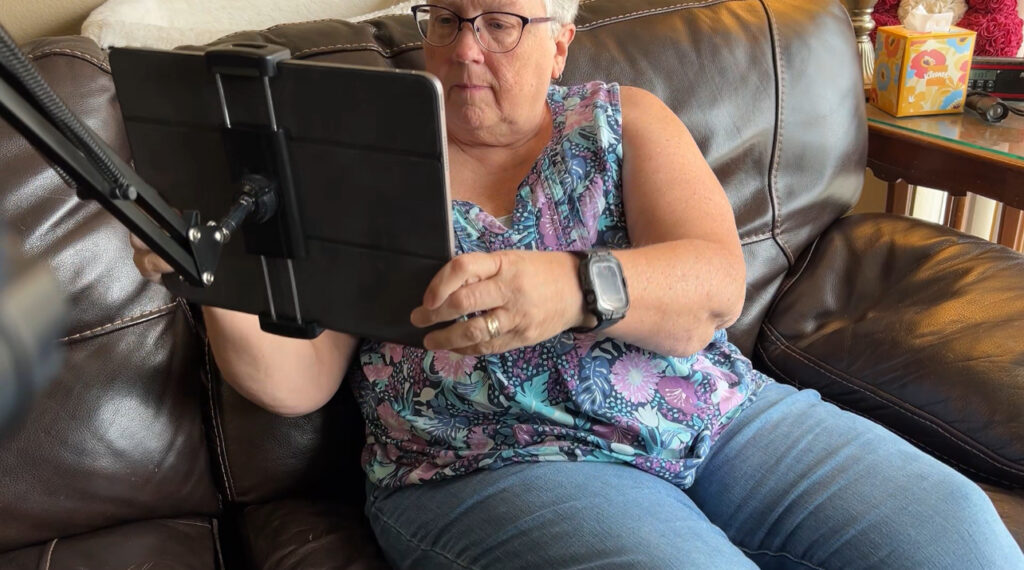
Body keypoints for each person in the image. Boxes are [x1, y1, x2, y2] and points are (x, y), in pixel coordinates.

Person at [132, 0, 1024, 567]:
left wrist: (572, 287)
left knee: (963, 535)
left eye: (500, 21)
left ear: (561, 41)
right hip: (494, 462)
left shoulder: (621, 120)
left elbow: (713, 284)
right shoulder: (356, 159)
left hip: (720, 418)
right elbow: (303, 381)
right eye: (445, 19)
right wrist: (221, 288)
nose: (465, 48)